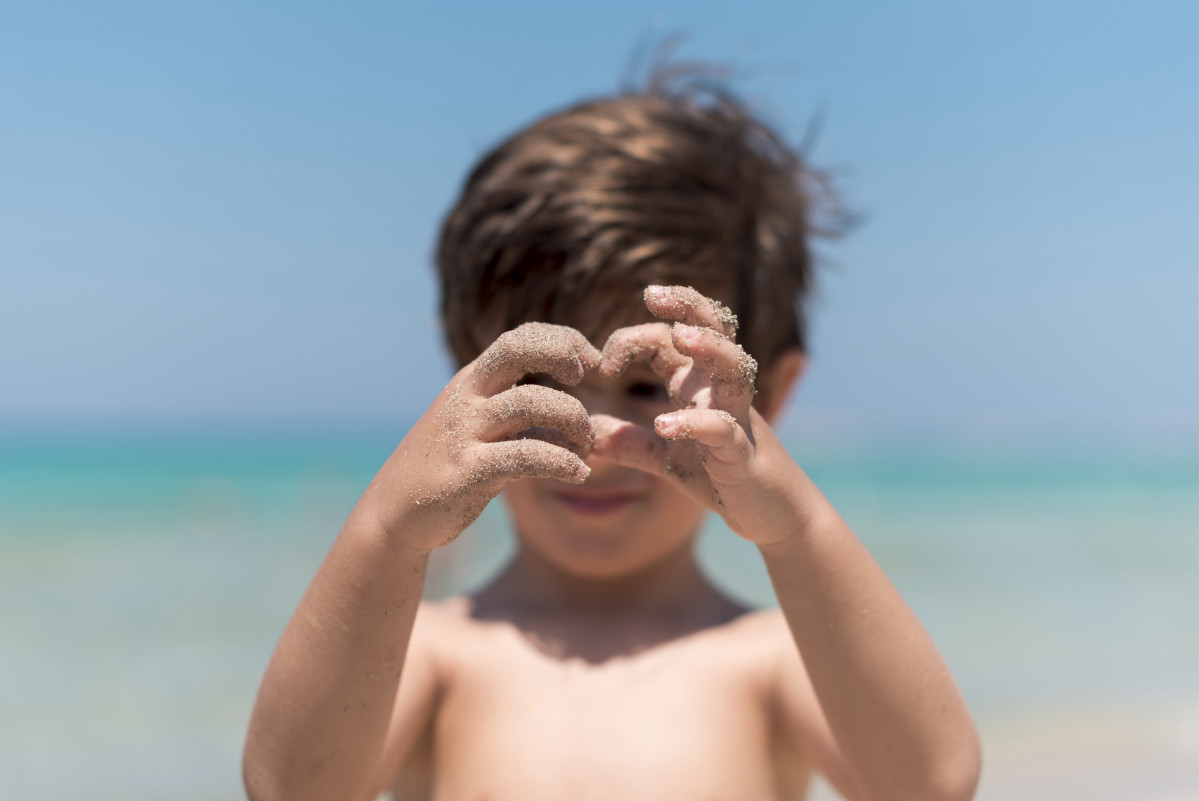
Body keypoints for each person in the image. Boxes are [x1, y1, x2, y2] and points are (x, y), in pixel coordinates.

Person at [243, 71, 982, 801]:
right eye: (545, 384)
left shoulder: (769, 661)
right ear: (466, 387)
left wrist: (795, 526)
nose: (595, 437)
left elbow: (927, 784)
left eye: (647, 387)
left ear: (771, 395)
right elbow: (291, 790)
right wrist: (386, 533)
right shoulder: (434, 653)